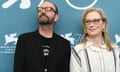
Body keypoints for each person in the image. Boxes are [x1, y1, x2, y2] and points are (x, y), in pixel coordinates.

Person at [14, 1, 71, 72]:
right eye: (40, 9)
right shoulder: (24, 40)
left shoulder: (64, 44)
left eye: (48, 9)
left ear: (56, 17)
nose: (43, 11)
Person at [70, 7, 120, 72]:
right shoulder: (78, 51)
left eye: (96, 21)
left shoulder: (115, 50)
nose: (91, 25)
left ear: (103, 24)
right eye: (88, 21)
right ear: (85, 26)